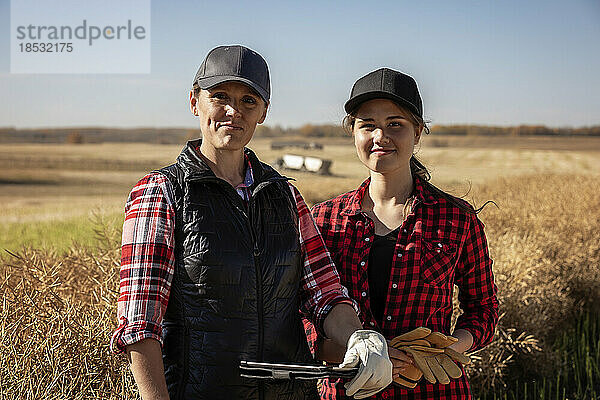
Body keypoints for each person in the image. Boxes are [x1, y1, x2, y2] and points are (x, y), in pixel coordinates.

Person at [110, 45, 393, 400]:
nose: (233, 111)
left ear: (263, 112)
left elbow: (325, 293)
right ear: (194, 102)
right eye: (220, 96)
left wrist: (358, 338)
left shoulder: (284, 196)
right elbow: (140, 325)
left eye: (248, 100)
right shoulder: (162, 193)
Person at [306, 68, 499, 399]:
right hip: (347, 390)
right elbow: (302, 318)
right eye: (368, 125)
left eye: (396, 124)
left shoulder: (456, 219)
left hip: (433, 391)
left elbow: (483, 308)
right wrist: (361, 358)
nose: (381, 136)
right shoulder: (324, 221)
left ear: (418, 132)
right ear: (353, 132)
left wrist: (444, 350)